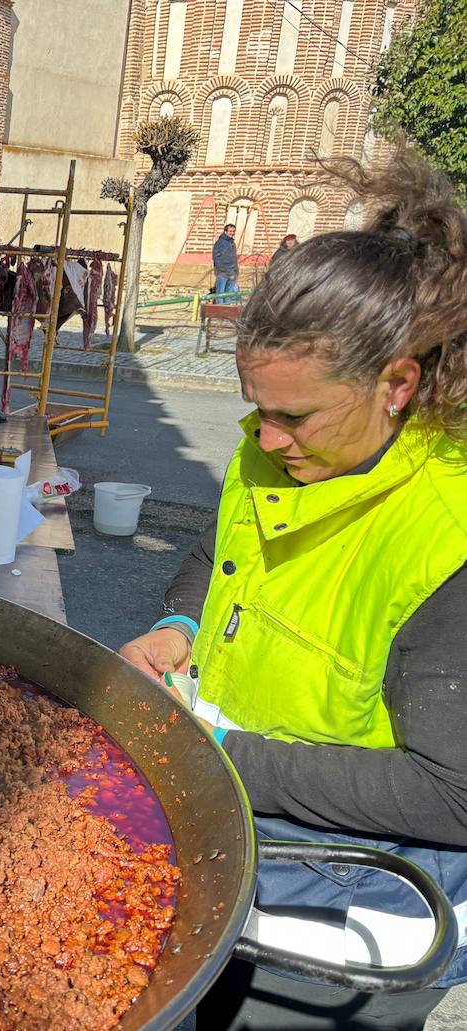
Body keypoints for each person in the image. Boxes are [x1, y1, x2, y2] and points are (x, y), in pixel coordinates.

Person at [121, 150, 467, 1030]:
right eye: (255, 407)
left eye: (296, 416)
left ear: (398, 382)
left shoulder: (448, 532)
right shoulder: (274, 446)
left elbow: (450, 793)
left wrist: (218, 757)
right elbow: (220, 550)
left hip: (355, 917)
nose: (267, 438)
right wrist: (176, 628)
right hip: (245, 850)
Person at [212, 221, 240, 297]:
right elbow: (216, 258)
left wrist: (236, 270)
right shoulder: (220, 242)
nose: (232, 233)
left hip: (232, 271)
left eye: (233, 231)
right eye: (230, 231)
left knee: (229, 293)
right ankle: (220, 307)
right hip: (222, 272)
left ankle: (227, 307)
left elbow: (234, 258)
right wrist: (222, 269)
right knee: (220, 293)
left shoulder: (232, 243)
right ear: (225, 231)